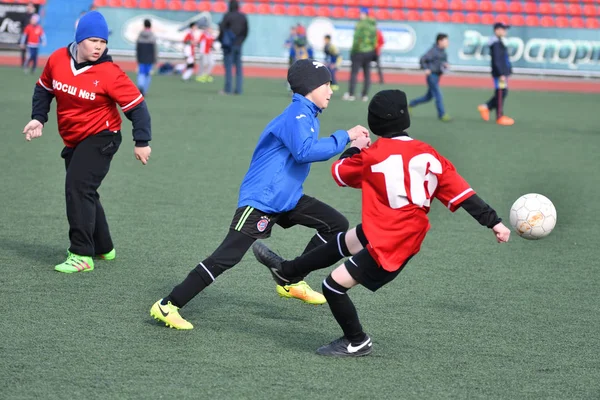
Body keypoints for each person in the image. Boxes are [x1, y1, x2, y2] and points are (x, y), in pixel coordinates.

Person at [252, 89, 511, 357]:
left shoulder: (374, 155)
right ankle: (288, 271)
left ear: (375, 123)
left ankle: (356, 340)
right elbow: (465, 195)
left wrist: (354, 148)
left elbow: (340, 173)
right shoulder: (429, 154)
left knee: (333, 286)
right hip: (399, 230)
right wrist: (495, 223)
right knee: (348, 240)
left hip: (391, 242)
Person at [150, 59, 370, 330]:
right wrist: (345, 136)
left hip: (286, 198)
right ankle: (168, 304)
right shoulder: (297, 115)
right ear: (311, 87)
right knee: (227, 257)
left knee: (335, 224)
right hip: (264, 199)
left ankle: (290, 279)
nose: (331, 91)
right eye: (327, 84)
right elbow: (305, 152)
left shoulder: (307, 114)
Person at [21, 11, 152, 273]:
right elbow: (44, 89)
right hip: (74, 138)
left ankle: (81, 253)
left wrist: (142, 141)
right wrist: (38, 118)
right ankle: (103, 247)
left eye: (103, 42)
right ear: (79, 39)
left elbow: (137, 107)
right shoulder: (57, 59)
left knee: (77, 187)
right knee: (85, 190)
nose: (99, 46)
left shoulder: (109, 72)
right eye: (93, 40)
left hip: (103, 137)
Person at [409, 33, 452, 122]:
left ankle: (411, 104)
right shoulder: (433, 51)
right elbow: (422, 59)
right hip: (432, 76)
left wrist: (446, 66)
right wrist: (426, 68)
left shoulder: (443, 52)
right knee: (438, 95)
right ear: (440, 41)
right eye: (446, 40)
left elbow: (442, 63)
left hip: (437, 76)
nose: (448, 42)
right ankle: (442, 114)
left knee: (428, 97)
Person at [478, 22, 514, 126]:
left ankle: (486, 107)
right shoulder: (496, 44)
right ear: (497, 30)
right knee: (500, 92)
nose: (505, 31)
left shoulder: (499, 42)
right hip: (500, 74)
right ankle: (499, 116)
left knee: (503, 92)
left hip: (502, 72)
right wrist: (501, 73)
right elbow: (497, 61)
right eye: (503, 29)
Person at [343, 7, 377, 102]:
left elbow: (356, 40)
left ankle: (351, 94)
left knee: (354, 73)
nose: (359, 15)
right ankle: (364, 95)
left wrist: (353, 51)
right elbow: (375, 40)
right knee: (367, 74)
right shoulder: (372, 25)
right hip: (369, 52)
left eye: (361, 13)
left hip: (358, 52)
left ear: (364, 14)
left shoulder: (360, 24)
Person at [218, 0, 248, 95]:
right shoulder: (243, 17)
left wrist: (221, 40)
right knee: (238, 68)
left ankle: (228, 89)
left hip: (229, 45)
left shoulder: (228, 15)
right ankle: (238, 89)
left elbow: (222, 29)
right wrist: (241, 41)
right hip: (238, 44)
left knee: (228, 67)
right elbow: (246, 31)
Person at [135, 19, 158, 95]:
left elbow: (137, 48)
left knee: (141, 73)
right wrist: (155, 59)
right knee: (148, 74)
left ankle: (140, 85)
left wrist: (138, 57)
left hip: (141, 57)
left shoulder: (140, 35)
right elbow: (155, 49)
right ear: (150, 26)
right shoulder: (152, 36)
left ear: (144, 25)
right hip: (150, 58)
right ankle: (144, 90)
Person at [21, 2, 37, 68]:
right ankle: (23, 64)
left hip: (32, 36)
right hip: (25, 35)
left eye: (31, 6)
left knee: (32, 53)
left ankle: (29, 64)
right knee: (23, 50)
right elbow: (22, 25)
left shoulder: (34, 16)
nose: (29, 7)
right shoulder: (24, 15)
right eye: (28, 6)